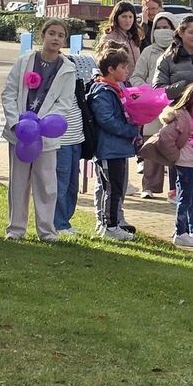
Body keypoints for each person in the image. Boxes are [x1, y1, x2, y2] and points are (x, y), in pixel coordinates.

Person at [4, 19, 77, 242]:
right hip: (21, 133)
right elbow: (9, 92)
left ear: (64, 40)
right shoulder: (24, 61)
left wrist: (41, 124)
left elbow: (65, 102)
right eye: (51, 33)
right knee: (18, 182)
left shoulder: (68, 69)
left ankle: (46, 230)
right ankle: (16, 229)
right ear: (42, 35)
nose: (55, 39)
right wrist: (16, 123)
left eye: (60, 35)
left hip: (46, 133)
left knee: (46, 182)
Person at [150, 84, 193, 247]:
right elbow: (165, 137)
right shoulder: (180, 118)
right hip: (185, 163)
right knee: (185, 198)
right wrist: (176, 156)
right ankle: (180, 232)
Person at [87, 46, 139, 241]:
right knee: (113, 188)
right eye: (123, 67)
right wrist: (130, 130)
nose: (127, 71)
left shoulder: (116, 89)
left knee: (112, 187)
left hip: (117, 147)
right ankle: (110, 226)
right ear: (110, 69)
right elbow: (106, 120)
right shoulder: (103, 91)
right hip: (109, 148)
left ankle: (107, 222)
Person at [132, 11, 177, 198]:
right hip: (153, 106)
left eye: (166, 27)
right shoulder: (148, 52)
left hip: (175, 106)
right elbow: (136, 76)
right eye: (158, 28)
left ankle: (175, 189)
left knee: (175, 145)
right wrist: (148, 90)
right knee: (152, 146)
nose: (162, 31)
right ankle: (149, 187)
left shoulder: (180, 51)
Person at [53, 37, 94, 238]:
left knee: (72, 184)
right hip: (61, 141)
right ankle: (58, 222)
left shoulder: (77, 86)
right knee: (60, 182)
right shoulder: (54, 87)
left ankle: (65, 221)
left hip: (76, 140)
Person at [102, 0, 142, 70]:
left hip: (135, 79)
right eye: (124, 16)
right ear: (116, 17)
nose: (128, 20)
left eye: (130, 17)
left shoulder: (134, 36)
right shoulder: (109, 37)